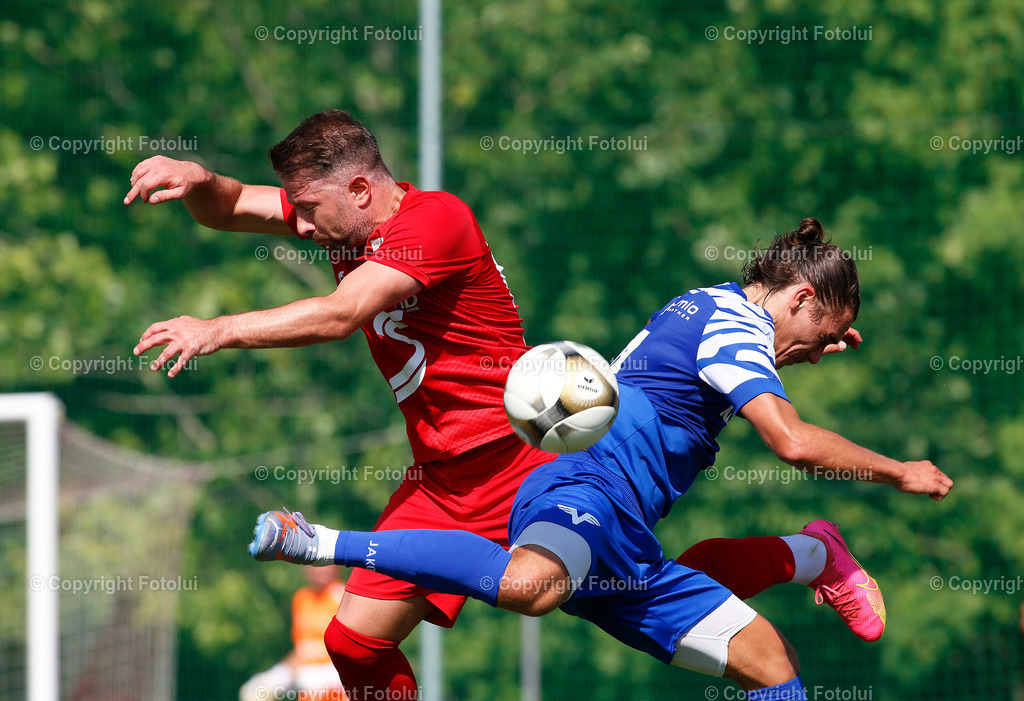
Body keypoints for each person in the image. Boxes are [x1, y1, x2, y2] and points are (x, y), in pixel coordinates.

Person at [127, 109, 896, 697]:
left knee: (573, 591)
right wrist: (200, 183)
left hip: (517, 459)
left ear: (360, 189)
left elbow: (341, 315)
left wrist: (217, 327)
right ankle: (808, 555)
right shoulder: (342, 220)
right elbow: (234, 206)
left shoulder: (436, 221)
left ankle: (809, 557)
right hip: (441, 476)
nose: (296, 223)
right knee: (355, 643)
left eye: (307, 208)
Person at [248, 221, 953, 699]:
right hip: (583, 486)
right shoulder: (735, 333)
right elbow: (794, 442)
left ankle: (809, 553)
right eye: (815, 336)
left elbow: (743, 359)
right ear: (800, 297)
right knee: (531, 586)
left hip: (625, 539)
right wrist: (900, 470)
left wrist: (807, 341)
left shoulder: (711, 307)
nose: (808, 353)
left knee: (771, 664)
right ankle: (320, 539)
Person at [240, 566, 348, 701]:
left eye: (325, 563)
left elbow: (355, 651)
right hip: (308, 690)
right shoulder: (301, 599)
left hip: (338, 690)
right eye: (314, 562)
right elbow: (302, 651)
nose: (319, 568)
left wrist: (328, 674)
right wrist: (274, 678)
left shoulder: (344, 597)